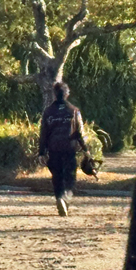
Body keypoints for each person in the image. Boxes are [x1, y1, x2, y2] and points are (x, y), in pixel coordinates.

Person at [38, 81, 88, 217]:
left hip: (53, 148)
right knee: (70, 176)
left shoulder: (48, 112)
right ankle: (66, 198)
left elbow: (43, 133)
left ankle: (59, 197)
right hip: (69, 148)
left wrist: (41, 152)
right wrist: (86, 150)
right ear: (66, 94)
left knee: (57, 176)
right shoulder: (74, 111)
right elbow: (80, 132)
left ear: (55, 95)